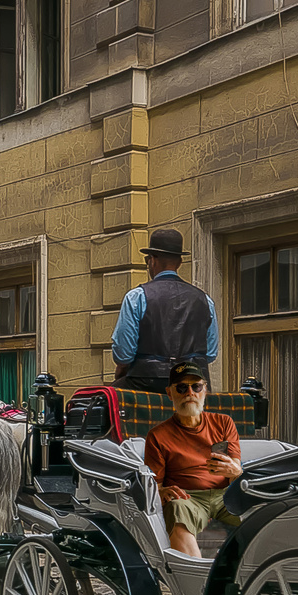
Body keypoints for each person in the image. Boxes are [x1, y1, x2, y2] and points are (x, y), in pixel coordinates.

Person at [143, 361, 243, 559]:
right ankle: (193, 582)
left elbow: (236, 474)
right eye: (181, 387)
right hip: (189, 498)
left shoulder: (224, 423)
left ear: (204, 390)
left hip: (225, 494)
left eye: (196, 386)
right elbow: (155, 487)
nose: (190, 392)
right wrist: (162, 491)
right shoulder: (157, 436)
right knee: (176, 507)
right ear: (170, 393)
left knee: (258, 508)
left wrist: (236, 472)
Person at [111, 228, 219, 392]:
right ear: (179, 263)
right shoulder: (205, 300)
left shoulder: (137, 297)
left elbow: (123, 354)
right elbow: (210, 354)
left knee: (97, 404)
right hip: (193, 387)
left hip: (147, 383)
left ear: (152, 260)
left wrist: (122, 370)